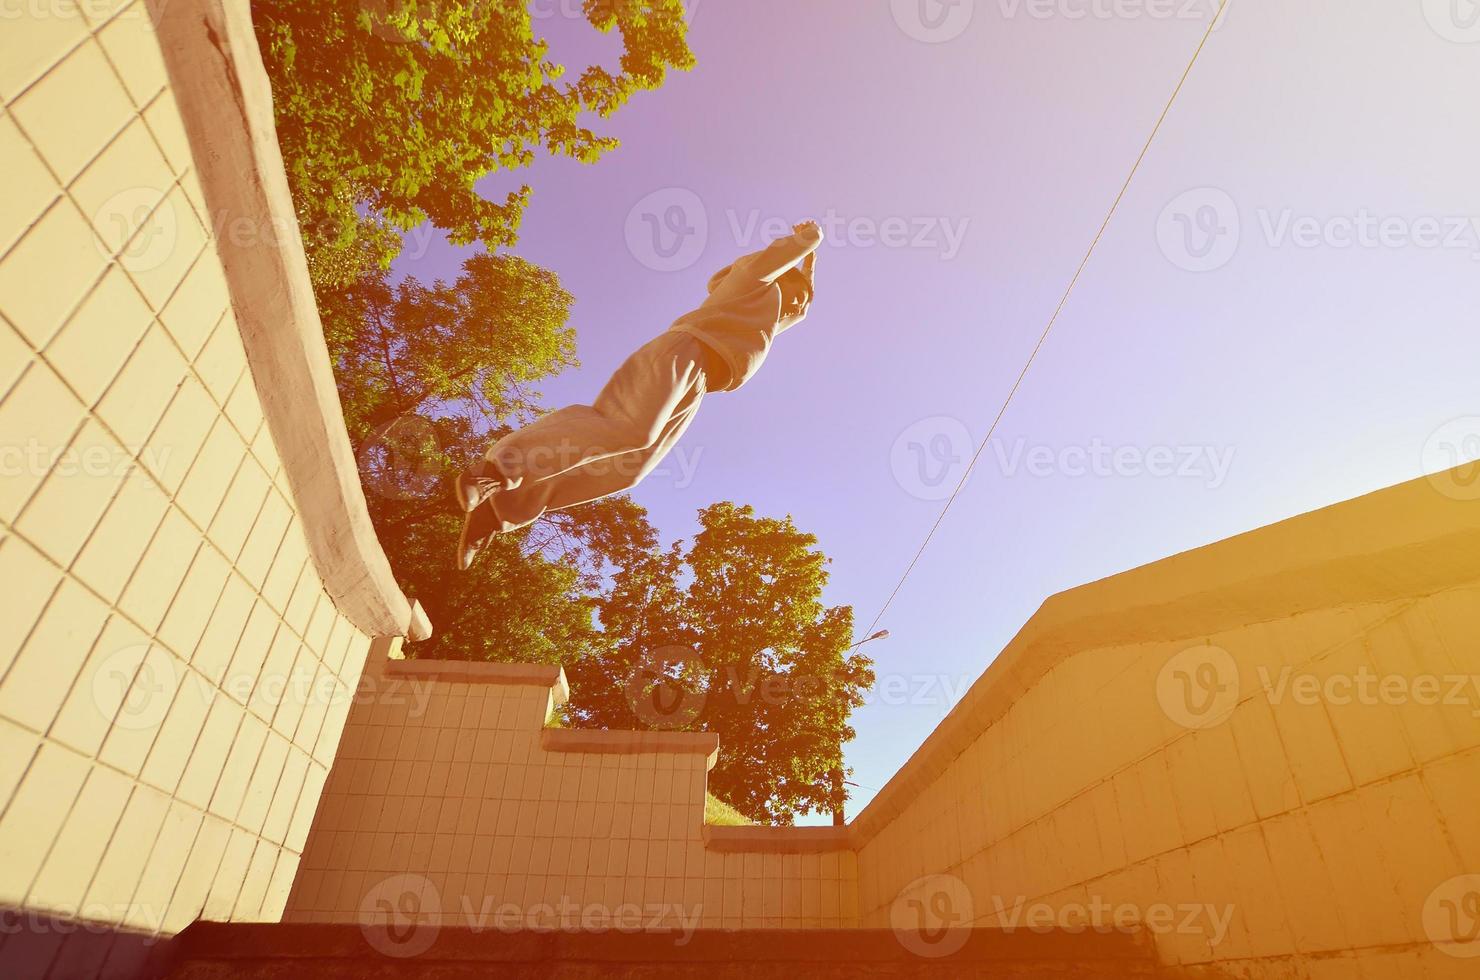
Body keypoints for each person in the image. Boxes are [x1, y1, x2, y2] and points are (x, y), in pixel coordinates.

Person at [455, 220, 825, 569]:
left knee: (629, 469)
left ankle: (496, 513)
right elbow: (779, 259)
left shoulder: (766, 322)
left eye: (804, 304)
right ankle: (493, 471)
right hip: (685, 352)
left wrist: (811, 269)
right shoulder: (750, 280)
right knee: (628, 428)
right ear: (781, 278)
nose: (798, 308)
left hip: (700, 385)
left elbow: (801, 312)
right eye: (798, 297)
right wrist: (809, 241)